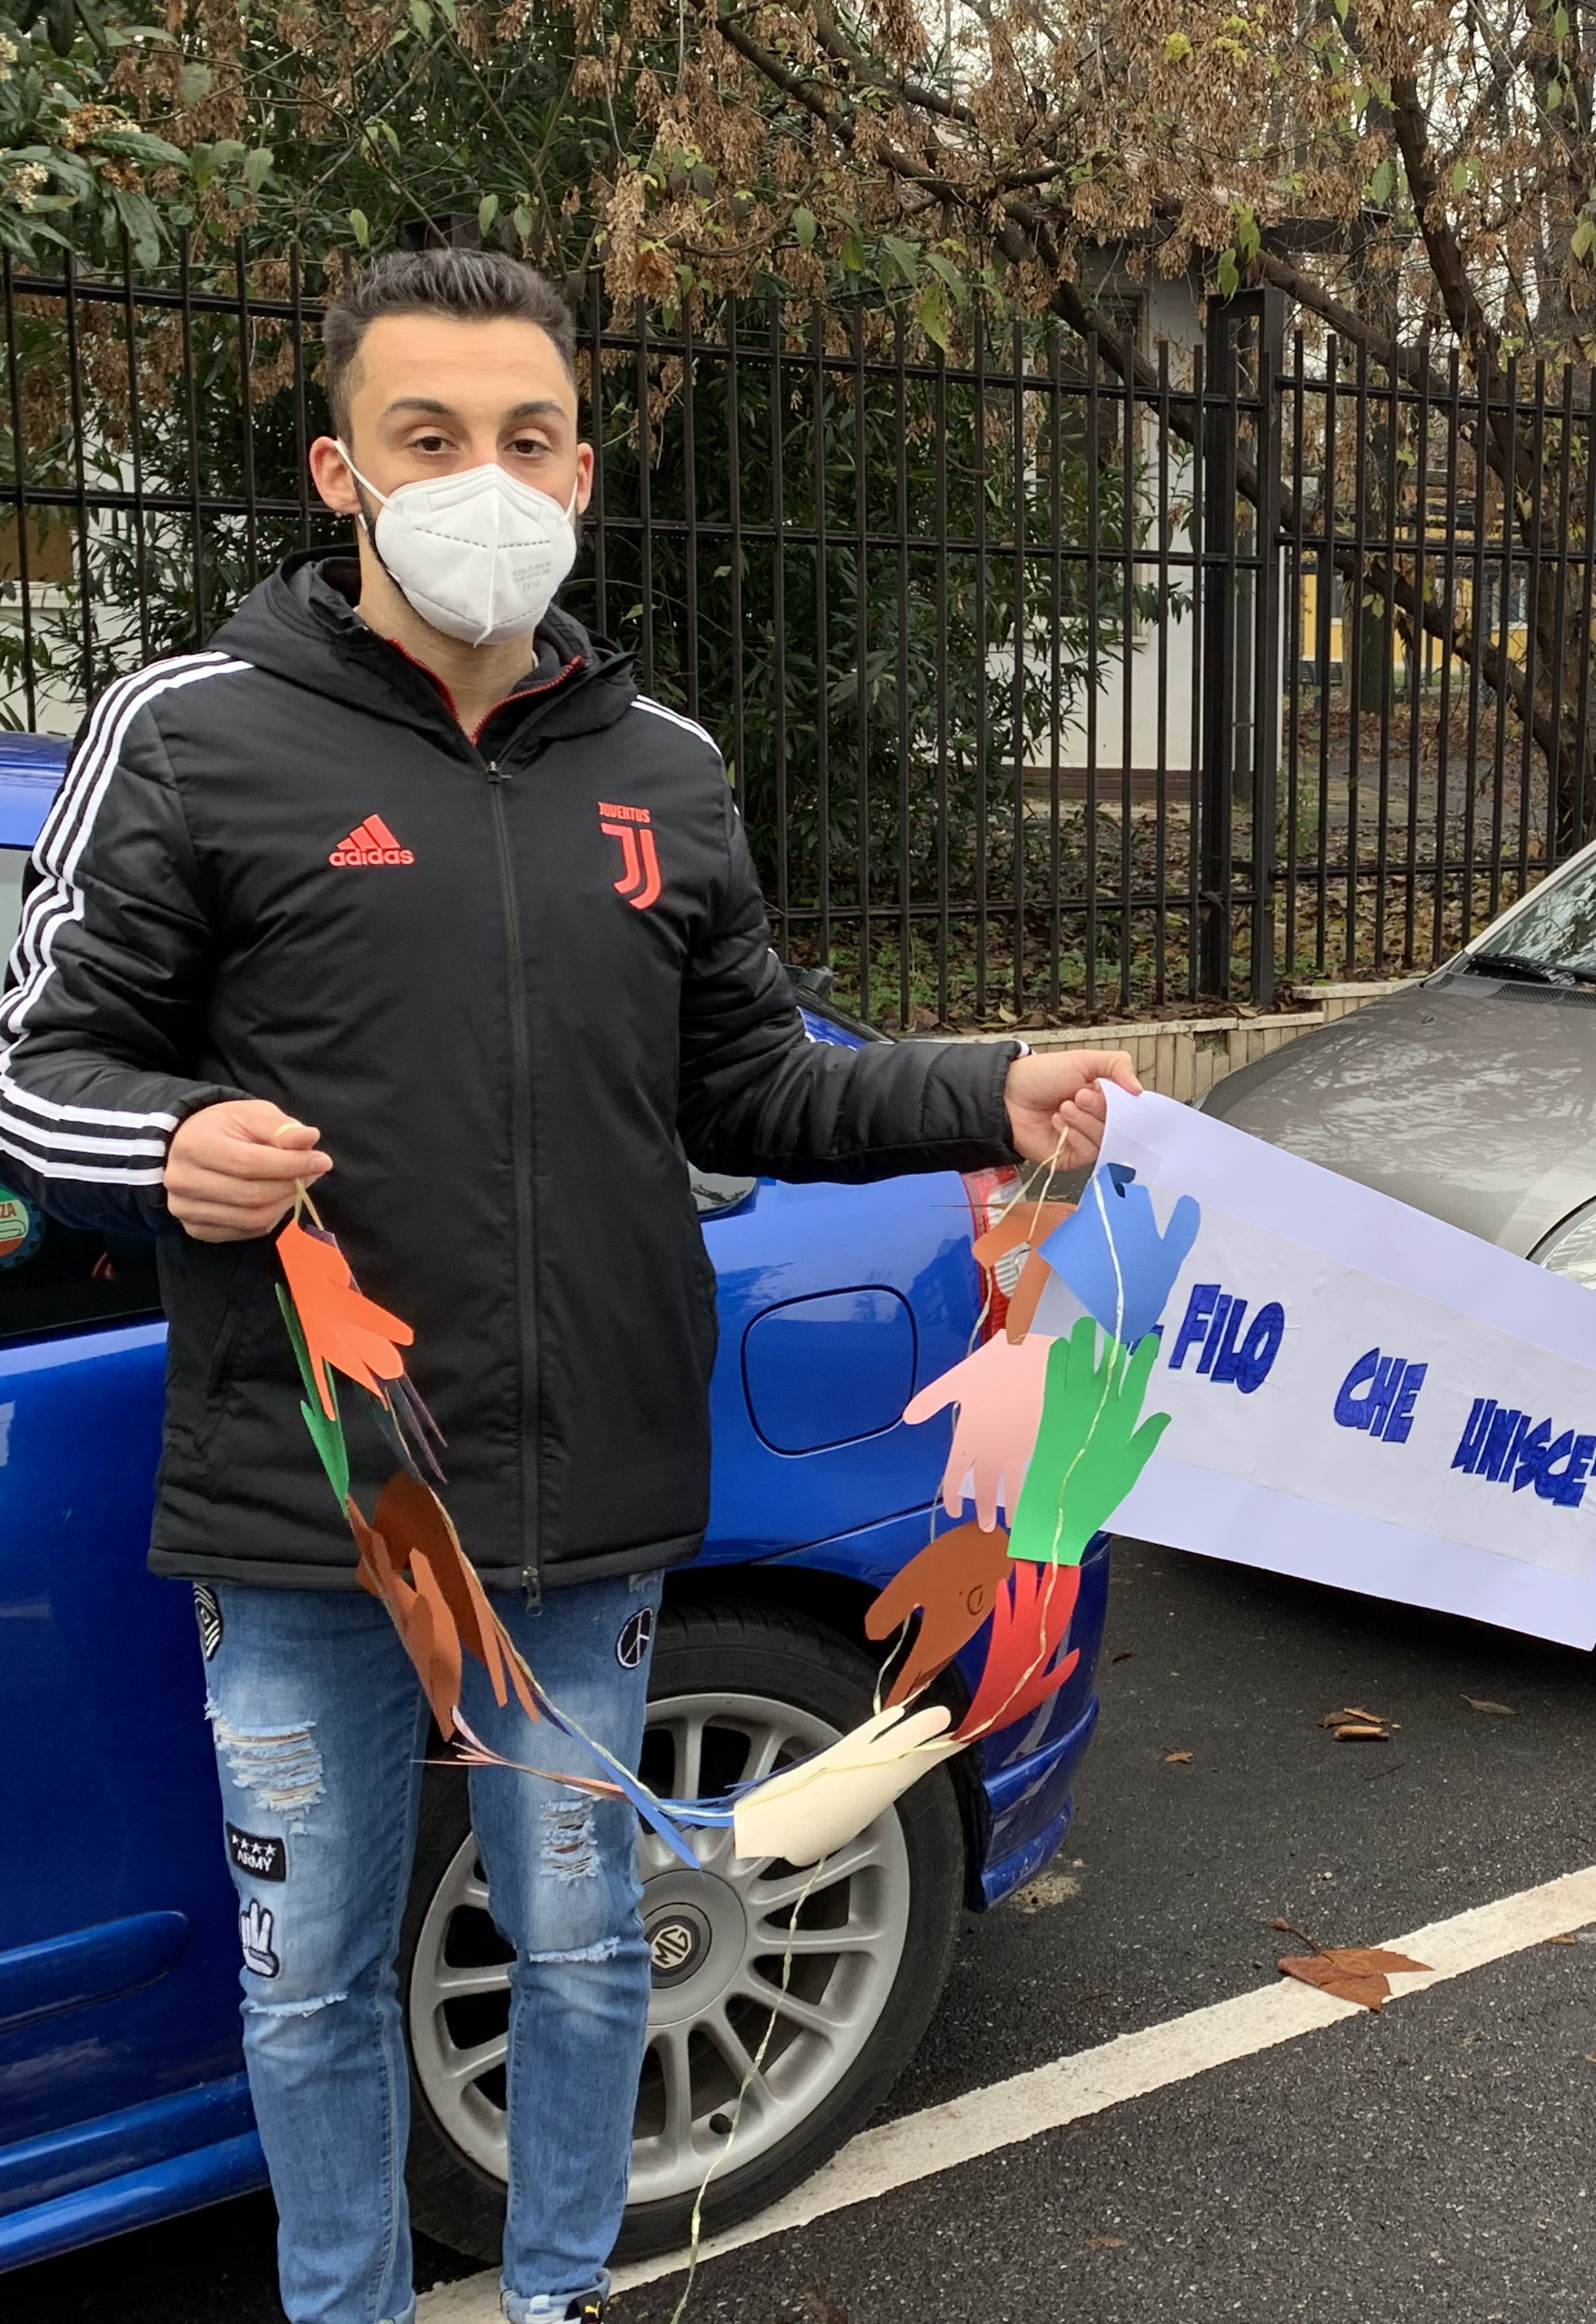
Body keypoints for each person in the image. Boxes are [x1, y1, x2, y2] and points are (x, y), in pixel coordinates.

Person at [0, 248, 1141, 2324]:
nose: (483, 478)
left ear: (586, 471)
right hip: (310, 1501)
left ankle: (556, 2298)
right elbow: (33, 1065)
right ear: (339, 470)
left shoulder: (665, 768)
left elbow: (764, 1076)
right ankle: (345, 2303)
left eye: (526, 438)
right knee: (319, 1969)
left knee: (591, 1940)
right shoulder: (191, 735)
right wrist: (164, 1148)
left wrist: (997, 1084)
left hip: (592, 1488)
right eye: (430, 438)